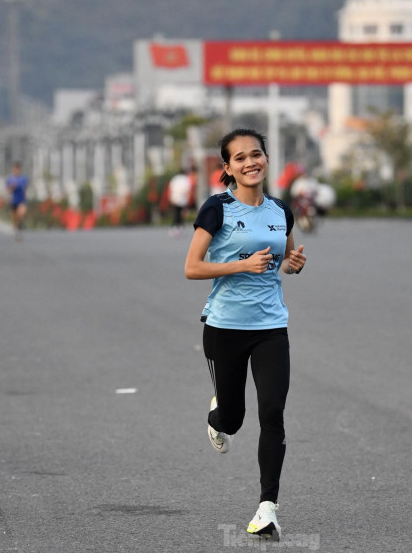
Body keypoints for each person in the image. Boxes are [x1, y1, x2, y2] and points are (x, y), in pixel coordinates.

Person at [184, 128, 306, 540]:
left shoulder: (280, 211)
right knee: (233, 420)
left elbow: (283, 259)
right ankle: (217, 415)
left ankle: (267, 508)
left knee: (272, 413)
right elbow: (192, 267)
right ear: (228, 168)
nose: (250, 162)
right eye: (240, 158)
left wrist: (292, 264)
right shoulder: (217, 209)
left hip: (271, 327)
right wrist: (240, 265)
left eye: (256, 154)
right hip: (225, 328)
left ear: (266, 159)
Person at [5, 162, 28, 241]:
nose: (16, 171)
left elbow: (25, 188)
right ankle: (17, 232)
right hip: (13, 201)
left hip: (21, 200)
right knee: (14, 219)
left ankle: (21, 225)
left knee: (21, 214)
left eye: (18, 169)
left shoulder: (23, 179)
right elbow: (8, 189)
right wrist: (12, 187)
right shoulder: (10, 179)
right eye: (15, 169)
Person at [168, 167, 191, 236]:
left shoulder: (174, 179)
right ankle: (179, 227)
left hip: (175, 198)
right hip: (182, 199)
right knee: (181, 214)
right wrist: (188, 200)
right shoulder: (186, 179)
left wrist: (171, 198)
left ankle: (175, 228)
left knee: (176, 213)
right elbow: (188, 190)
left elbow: (170, 188)